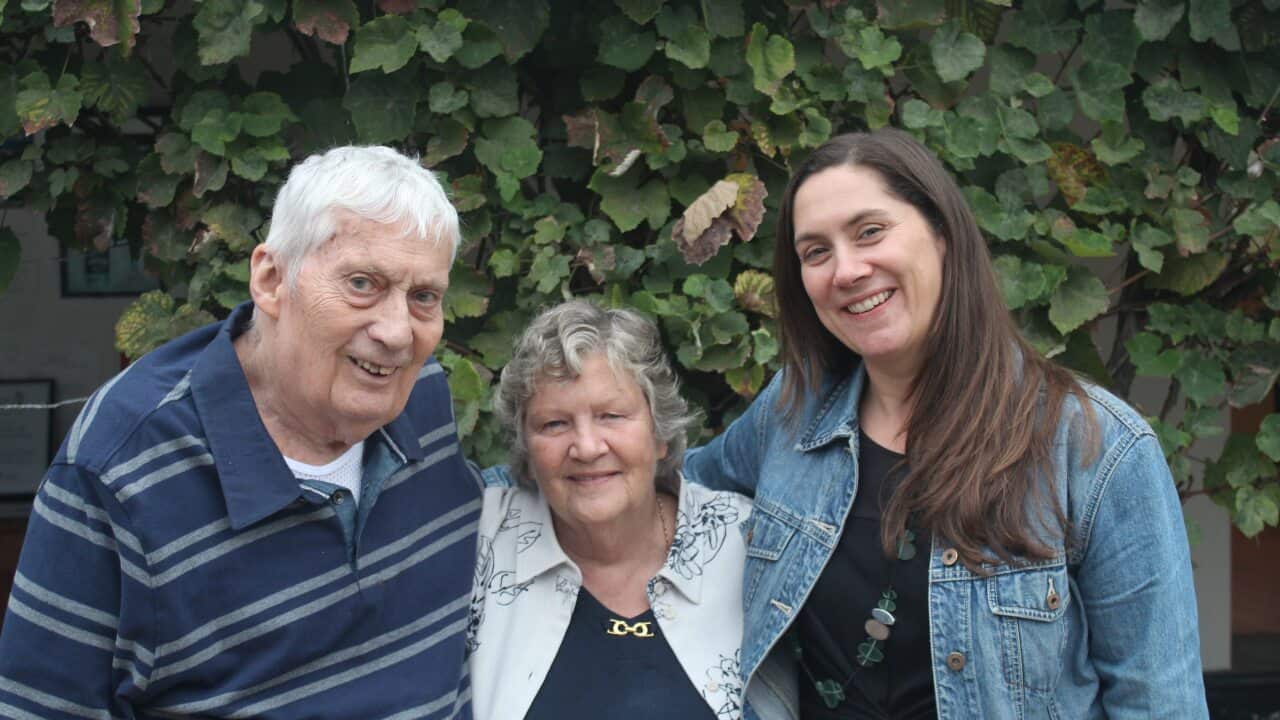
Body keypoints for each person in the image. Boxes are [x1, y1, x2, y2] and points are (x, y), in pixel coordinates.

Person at [683, 129, 1209, 719]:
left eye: (870, 232)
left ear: (942, 235)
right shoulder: (790, 412)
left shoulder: (1095, 446)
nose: (847, 270)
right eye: (816, 252)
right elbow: (672, 501)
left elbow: (1160, 704)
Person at [0, 146, 481, 718]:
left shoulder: (422, 396)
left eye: (424, 297)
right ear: (272, 279)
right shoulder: (121, 468)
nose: (398, 332)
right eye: (362, 284)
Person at [469, 300, 753, 720]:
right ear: (526, 452)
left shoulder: (748, 544)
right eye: (554, 424)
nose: (586, 447)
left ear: (660, 433)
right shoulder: (477, 543)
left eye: (612, 416)